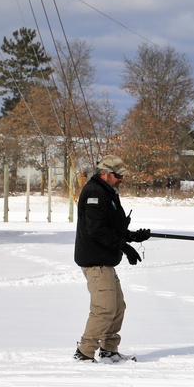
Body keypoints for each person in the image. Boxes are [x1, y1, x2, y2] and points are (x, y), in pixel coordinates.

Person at [74, 155, 151, 363]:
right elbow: (97, 230)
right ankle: (84, 353)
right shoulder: (94, 193)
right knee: (104, 309)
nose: (121, 179)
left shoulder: (109, 193)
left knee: (117, 307)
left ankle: (109, 349)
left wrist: (131, 236)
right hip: (95, 261)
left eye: (122, 175)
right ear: (104, 174)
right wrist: (124, 247)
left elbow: (111, 227)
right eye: (118, 175)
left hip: (105, 259)